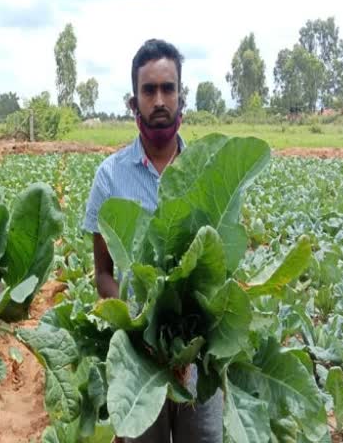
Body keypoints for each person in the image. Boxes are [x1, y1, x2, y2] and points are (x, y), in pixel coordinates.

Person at [82, 39, 223, 442]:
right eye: (149, 90)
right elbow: (103, 273)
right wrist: (138, 327)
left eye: (167, 88)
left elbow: (221, 266)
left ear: (181, 97)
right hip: (138, 363)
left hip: (196, 356)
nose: (159, 99)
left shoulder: (207, 173)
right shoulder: (110, 176)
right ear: (133, 103)